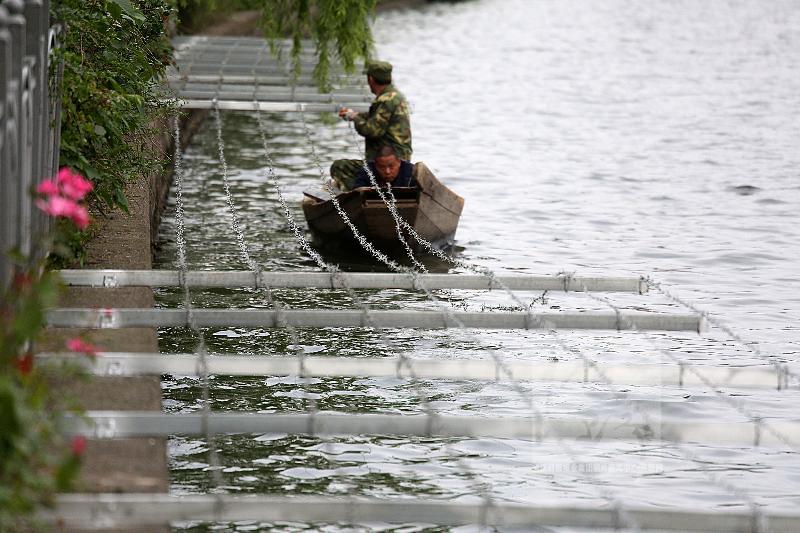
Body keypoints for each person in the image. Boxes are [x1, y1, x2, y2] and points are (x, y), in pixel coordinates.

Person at [330, 60, 412, 191]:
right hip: (399, 159)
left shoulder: (386, 100)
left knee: (339, 167)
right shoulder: (396, 96)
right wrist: (357, 115)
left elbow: (372, 130)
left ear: (371, 79)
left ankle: (361, 196)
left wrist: (355, 118)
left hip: (387, 160)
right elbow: (379, 118)